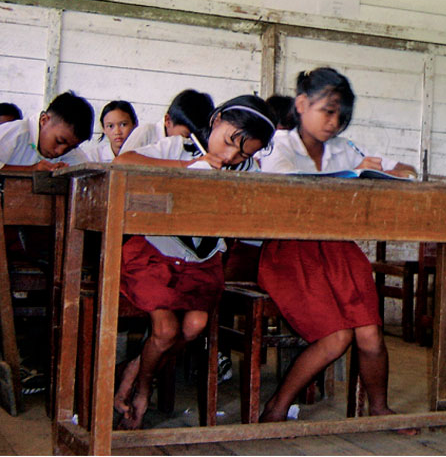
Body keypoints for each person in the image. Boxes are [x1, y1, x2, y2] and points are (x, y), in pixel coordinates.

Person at [255, 67, 418, 430]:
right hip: (292, 252)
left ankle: (378, 408)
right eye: (326, 111)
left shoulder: (344, 148)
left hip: (339, 251)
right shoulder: (277, 144)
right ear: (301, 104)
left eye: (341, 115)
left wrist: (387, 170)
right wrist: (344, 177)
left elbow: (404, 171)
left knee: (371, 334)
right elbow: (285, 186)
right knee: (336, 337)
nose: (333, 122)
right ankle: (276, 407)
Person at [111, 95, 276, 429]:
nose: (232, 156)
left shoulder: (245, 170)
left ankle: (138, 365)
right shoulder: (177, 148)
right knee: (167, 328)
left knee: (195, 326)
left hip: (202, 263)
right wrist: (190, 168)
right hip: (155, 256)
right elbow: (123, 162)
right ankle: (142, 386)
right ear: (215, 121)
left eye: (245, 152)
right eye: (231, 142)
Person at [0, 91, 93, 171]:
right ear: (44, 120)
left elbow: (89, 178)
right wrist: (30, 170)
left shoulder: (73, 154)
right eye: (59, 141)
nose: (60, 151)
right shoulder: (15, 133)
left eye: (70, 148)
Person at [120, 89, 213, 153]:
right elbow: (120, 167)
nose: (190, 141)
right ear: (168, 120)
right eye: (185, 135)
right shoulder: (146, 132)